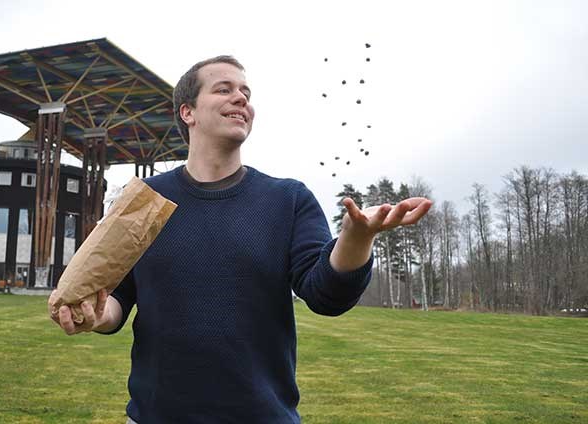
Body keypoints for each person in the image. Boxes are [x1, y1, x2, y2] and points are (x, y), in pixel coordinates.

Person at [51, 55, 432, 423]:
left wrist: (356, 238)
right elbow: (117, 298)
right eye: (224, 89)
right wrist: (97, 316)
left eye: (246, 92)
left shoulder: (288, 199)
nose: (241, 98)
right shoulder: (145, 201)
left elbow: (324, 294)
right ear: (188, 112)